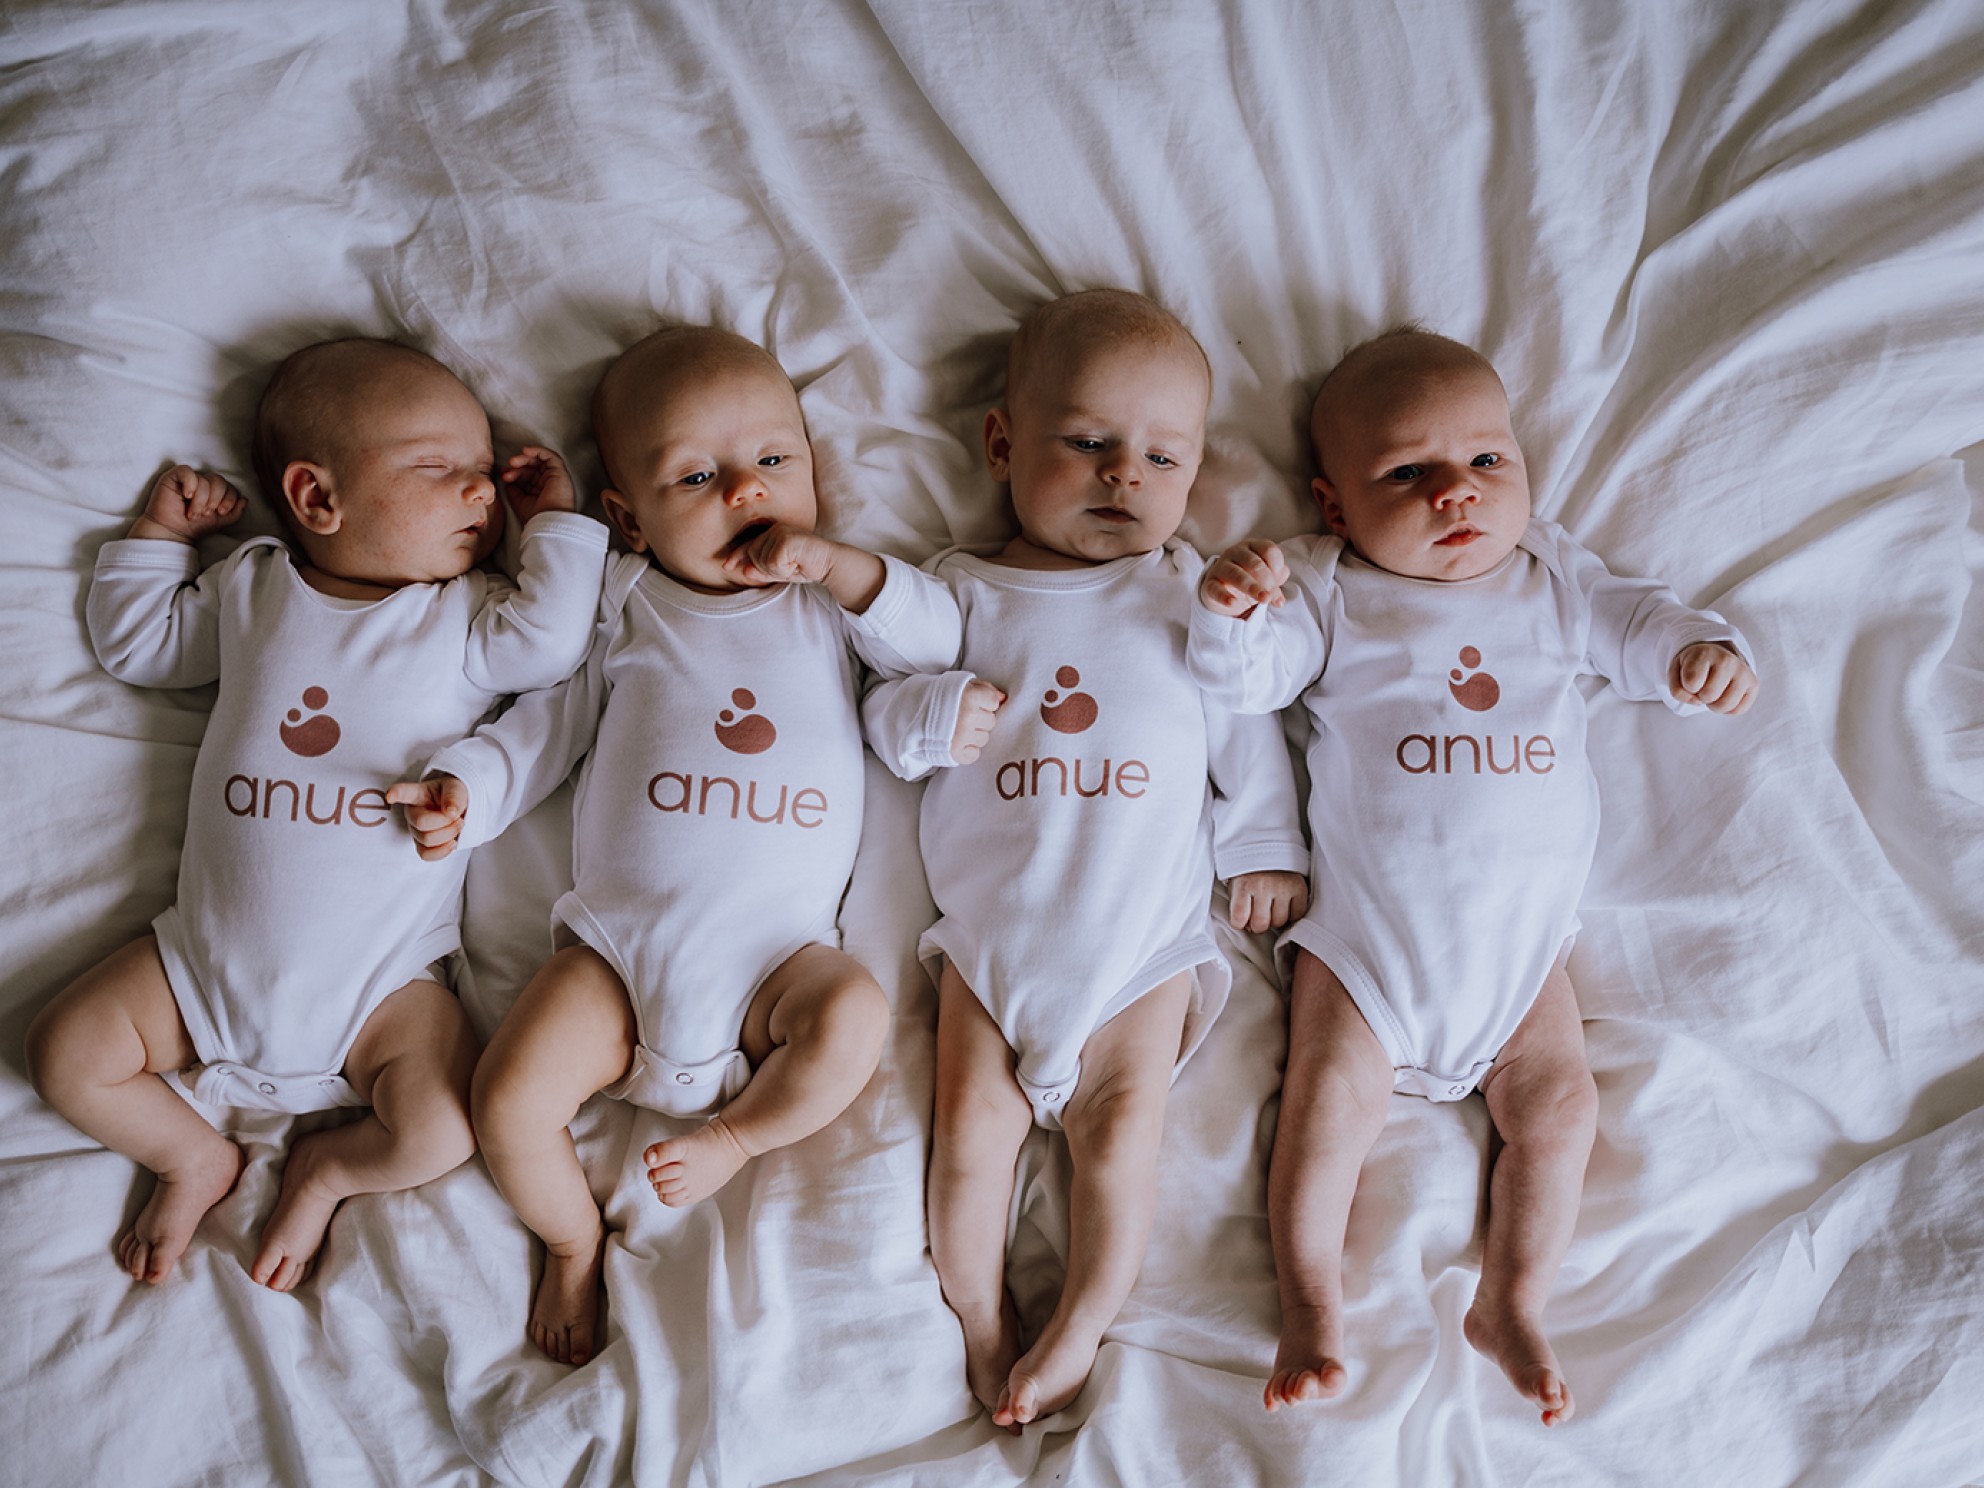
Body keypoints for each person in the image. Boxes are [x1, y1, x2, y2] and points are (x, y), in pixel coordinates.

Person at [1191, 326, 1760, 1426]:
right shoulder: (1329, 587)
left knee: (1558, 1109)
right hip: (1368, 947)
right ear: (1335, 505)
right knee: (1323, 1113)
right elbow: (1245, 687)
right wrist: (1233, 613)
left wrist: (1695, 656)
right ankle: (1311, 1304)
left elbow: (1638, 623)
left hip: (1520, 956)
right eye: (1408, 473)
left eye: (1485, 462)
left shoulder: (1550, 577)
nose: (1456, 492)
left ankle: (1512, 1297)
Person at [396, 325, 964, 1367]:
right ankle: (570, 1241)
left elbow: (939, 640)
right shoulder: (624, 605)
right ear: (630, 519)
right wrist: (468, 791)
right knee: (506, 1098)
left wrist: (839, 568)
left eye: (773, 463)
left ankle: (736, 1137)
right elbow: (544, 730)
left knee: (855, 1014)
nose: (746, 491)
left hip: (774, 968)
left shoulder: (828, 608)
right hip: (614, 963)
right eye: (697, 475)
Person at [26, 337, 606, 1290]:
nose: (480, 493)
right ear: (315, 498)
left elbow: (551, 648)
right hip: (199, 969)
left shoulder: (461, 617)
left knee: (446, 1124)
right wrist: (157, 540)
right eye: (440, 469)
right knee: (66, 1053)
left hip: (381, 996)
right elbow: (142, 647)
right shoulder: (253, 585)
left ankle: (330, 1170)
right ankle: (190, 1157)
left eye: (483, 475)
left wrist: (558, 528)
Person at [863, 289, 1311, 1429]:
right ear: (1002, 444)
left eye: (1162, 456)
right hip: (991, 952)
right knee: (968, 1143)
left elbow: (1242, 724)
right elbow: (881, 710)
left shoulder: (1186, 593)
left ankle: (1079, 1321)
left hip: (1140, 947)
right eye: (1088, 444)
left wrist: (1264, 846)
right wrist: (929, 717)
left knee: (1120, 1145)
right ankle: (977, 1317)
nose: (1126, 476)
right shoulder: (960, 591)